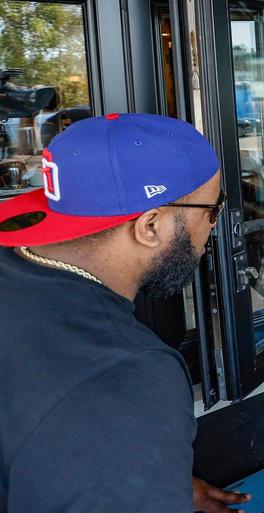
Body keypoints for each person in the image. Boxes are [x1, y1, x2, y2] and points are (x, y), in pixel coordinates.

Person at [0, 113, 248, 512]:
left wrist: (141, 472)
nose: (212, 229)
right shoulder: (128, 375)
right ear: (150, 225)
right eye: (212, 211)